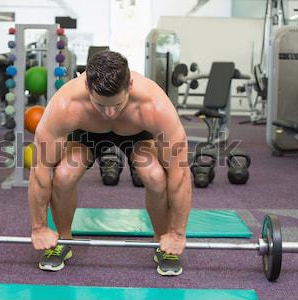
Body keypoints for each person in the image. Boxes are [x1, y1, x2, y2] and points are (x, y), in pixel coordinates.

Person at [28, 51, 192, 276]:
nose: (109, 113)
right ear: (87, 86)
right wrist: (39, 227)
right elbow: (40, 171)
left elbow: (179, 175)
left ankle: (163, 245)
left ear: (130, 85)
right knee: (64, 175)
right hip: (87, 133)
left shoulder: (155, 106)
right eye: (100, 105)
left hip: (136, 132)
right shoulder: (65, 105)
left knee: (155, 176)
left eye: (117, 104)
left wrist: (178, 233)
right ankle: (63, 240)